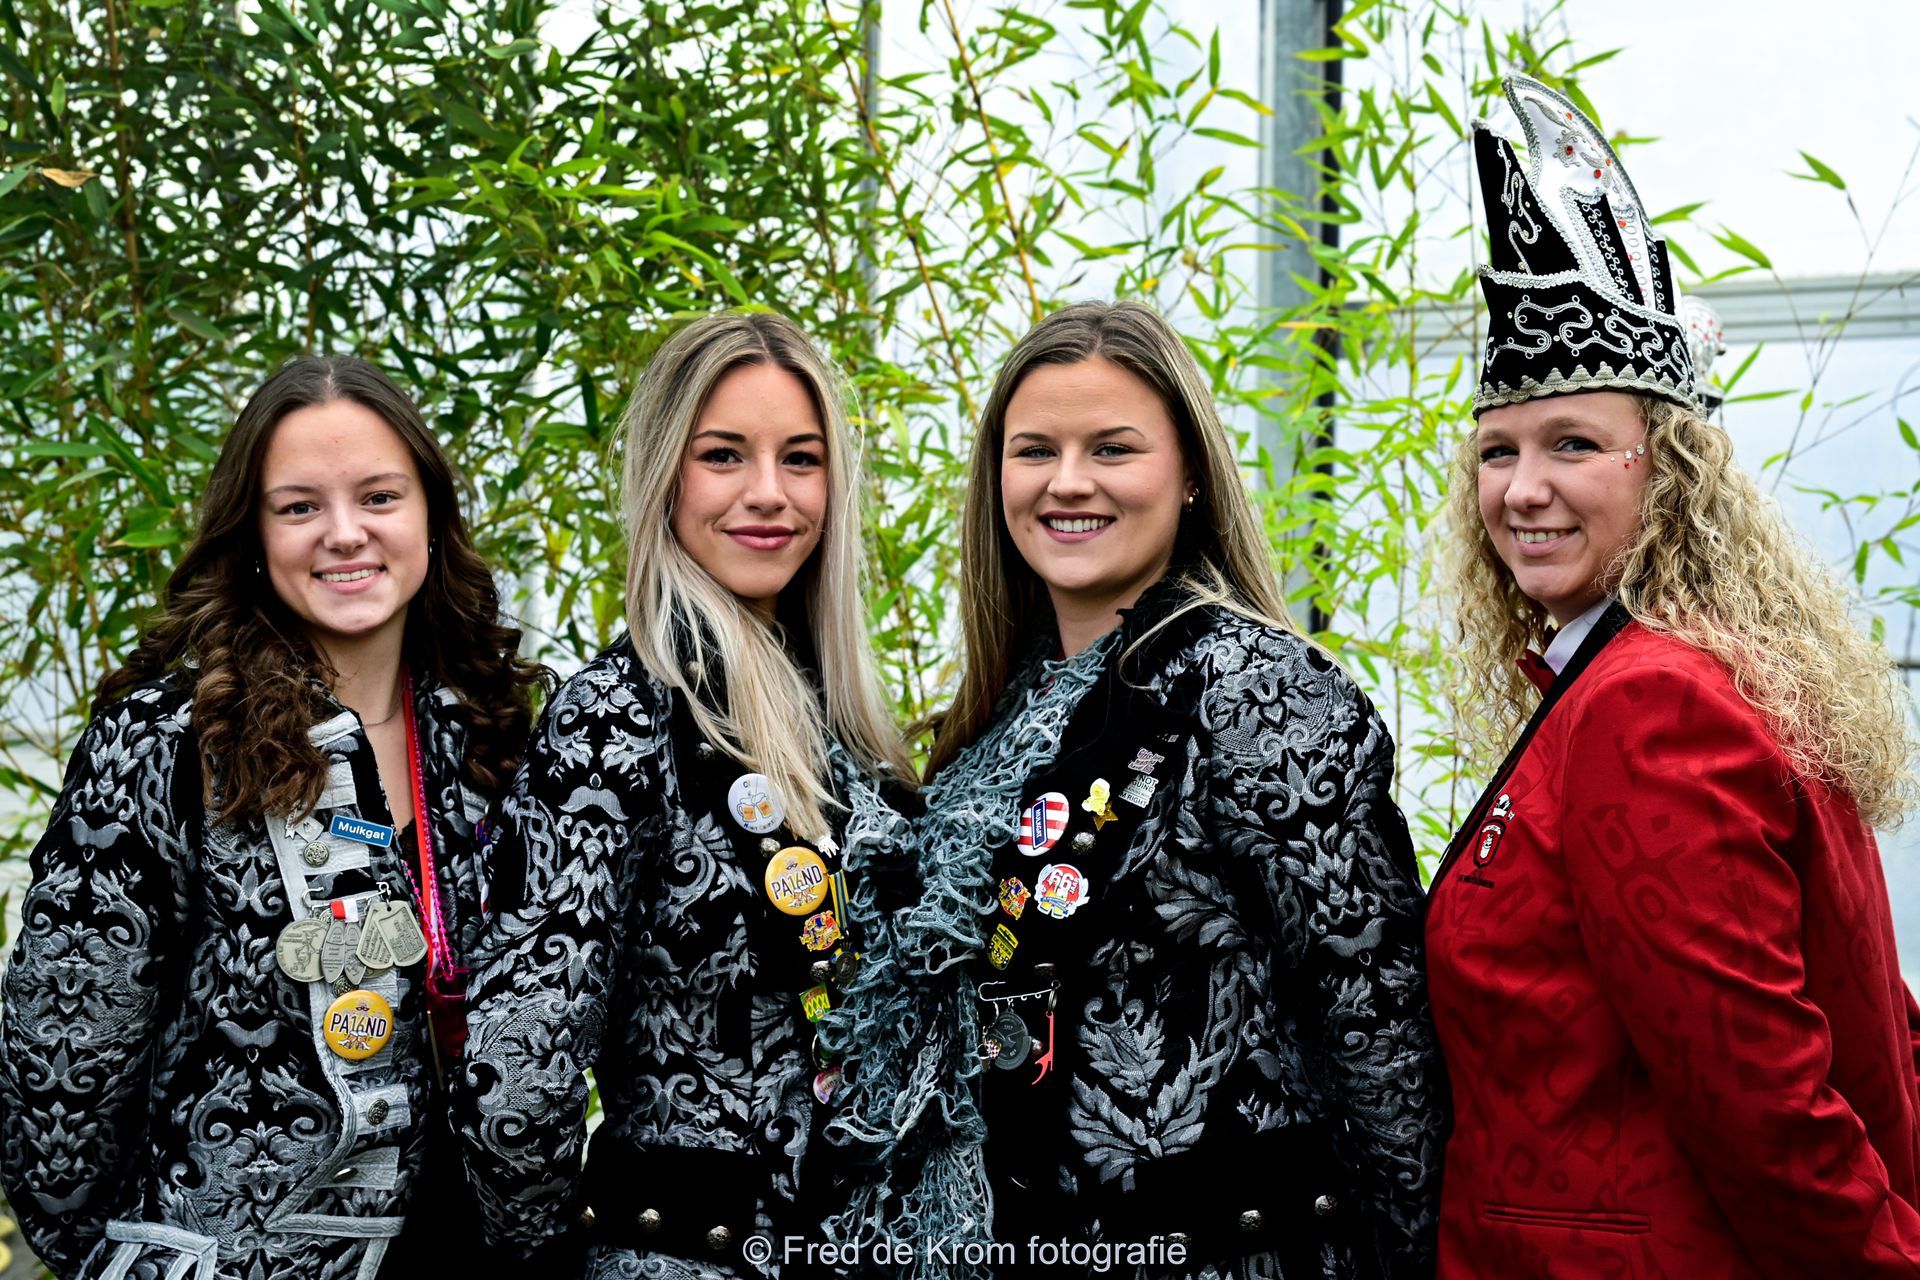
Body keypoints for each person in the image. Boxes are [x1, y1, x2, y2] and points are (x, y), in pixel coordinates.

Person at [827, 300, 1447, 1279]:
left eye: (1112, 448)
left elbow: (1378, 1028)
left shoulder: (1258, 690)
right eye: (1035, 450)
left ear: (1190, 472)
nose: (1068, 482)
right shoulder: (990, 719)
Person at [1427, 73, 1920, 1278]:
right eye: (1499, 449)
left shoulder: (1650, 706)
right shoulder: (1691, 672)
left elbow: (1766, 1108)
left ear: (1672, 473)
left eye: (1574, 444)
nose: (1521, 488)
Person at [0, 356, 546, 1278]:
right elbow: (61, 1068)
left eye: (379, 497)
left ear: (429, 517)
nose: (345, 534)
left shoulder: (487, 728)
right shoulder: (169, 740)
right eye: (299, 507)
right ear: (252, 533)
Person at [451, 310, 916, 1277]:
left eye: (801, 458)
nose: (768, 494)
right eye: (723, 456)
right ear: (665, 475)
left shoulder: (839, 719)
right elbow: (516, 1090)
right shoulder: (613, 722)